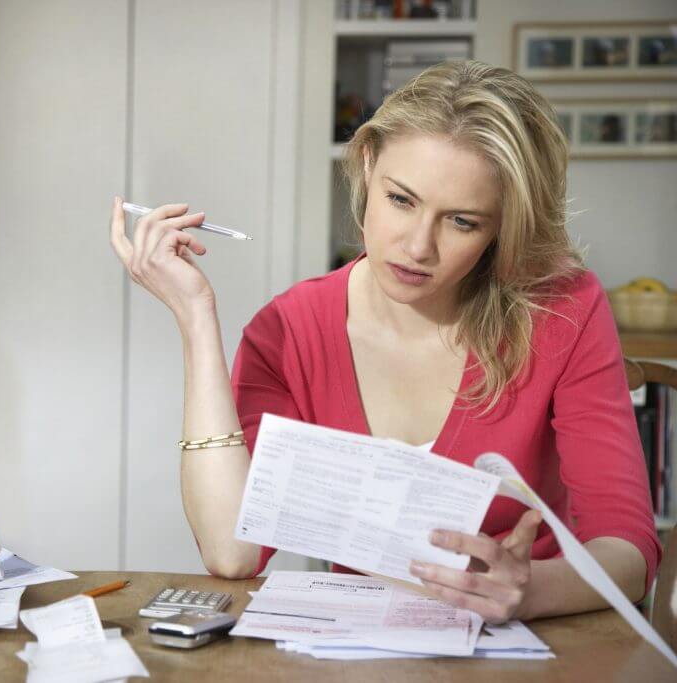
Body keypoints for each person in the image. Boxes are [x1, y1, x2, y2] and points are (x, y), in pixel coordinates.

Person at [107, 60, 660, 625]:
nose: (418, 246)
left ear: (503, 227)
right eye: (401, 200)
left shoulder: (562, 310)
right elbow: (232, 551)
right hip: (362, 650)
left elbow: (628, 552)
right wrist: (196, 319)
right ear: (368, 167)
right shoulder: (290, 331)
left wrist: (530, 590)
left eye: (463, 222)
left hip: (542, 642)